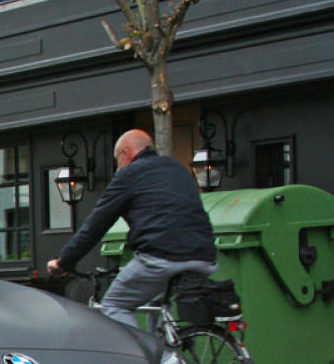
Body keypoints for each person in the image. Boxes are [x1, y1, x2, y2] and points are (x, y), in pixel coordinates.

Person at [47, 129, 217, 328]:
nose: (117, 166)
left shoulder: (129, 174)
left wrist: (64, 262)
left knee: (114, 304)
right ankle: (164, 356)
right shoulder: (177, 167)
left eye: (116, 160)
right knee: (156, 302)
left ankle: (136, 359)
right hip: (205, 258)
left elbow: (96, 225)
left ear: (125, 153)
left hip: (162, 258)